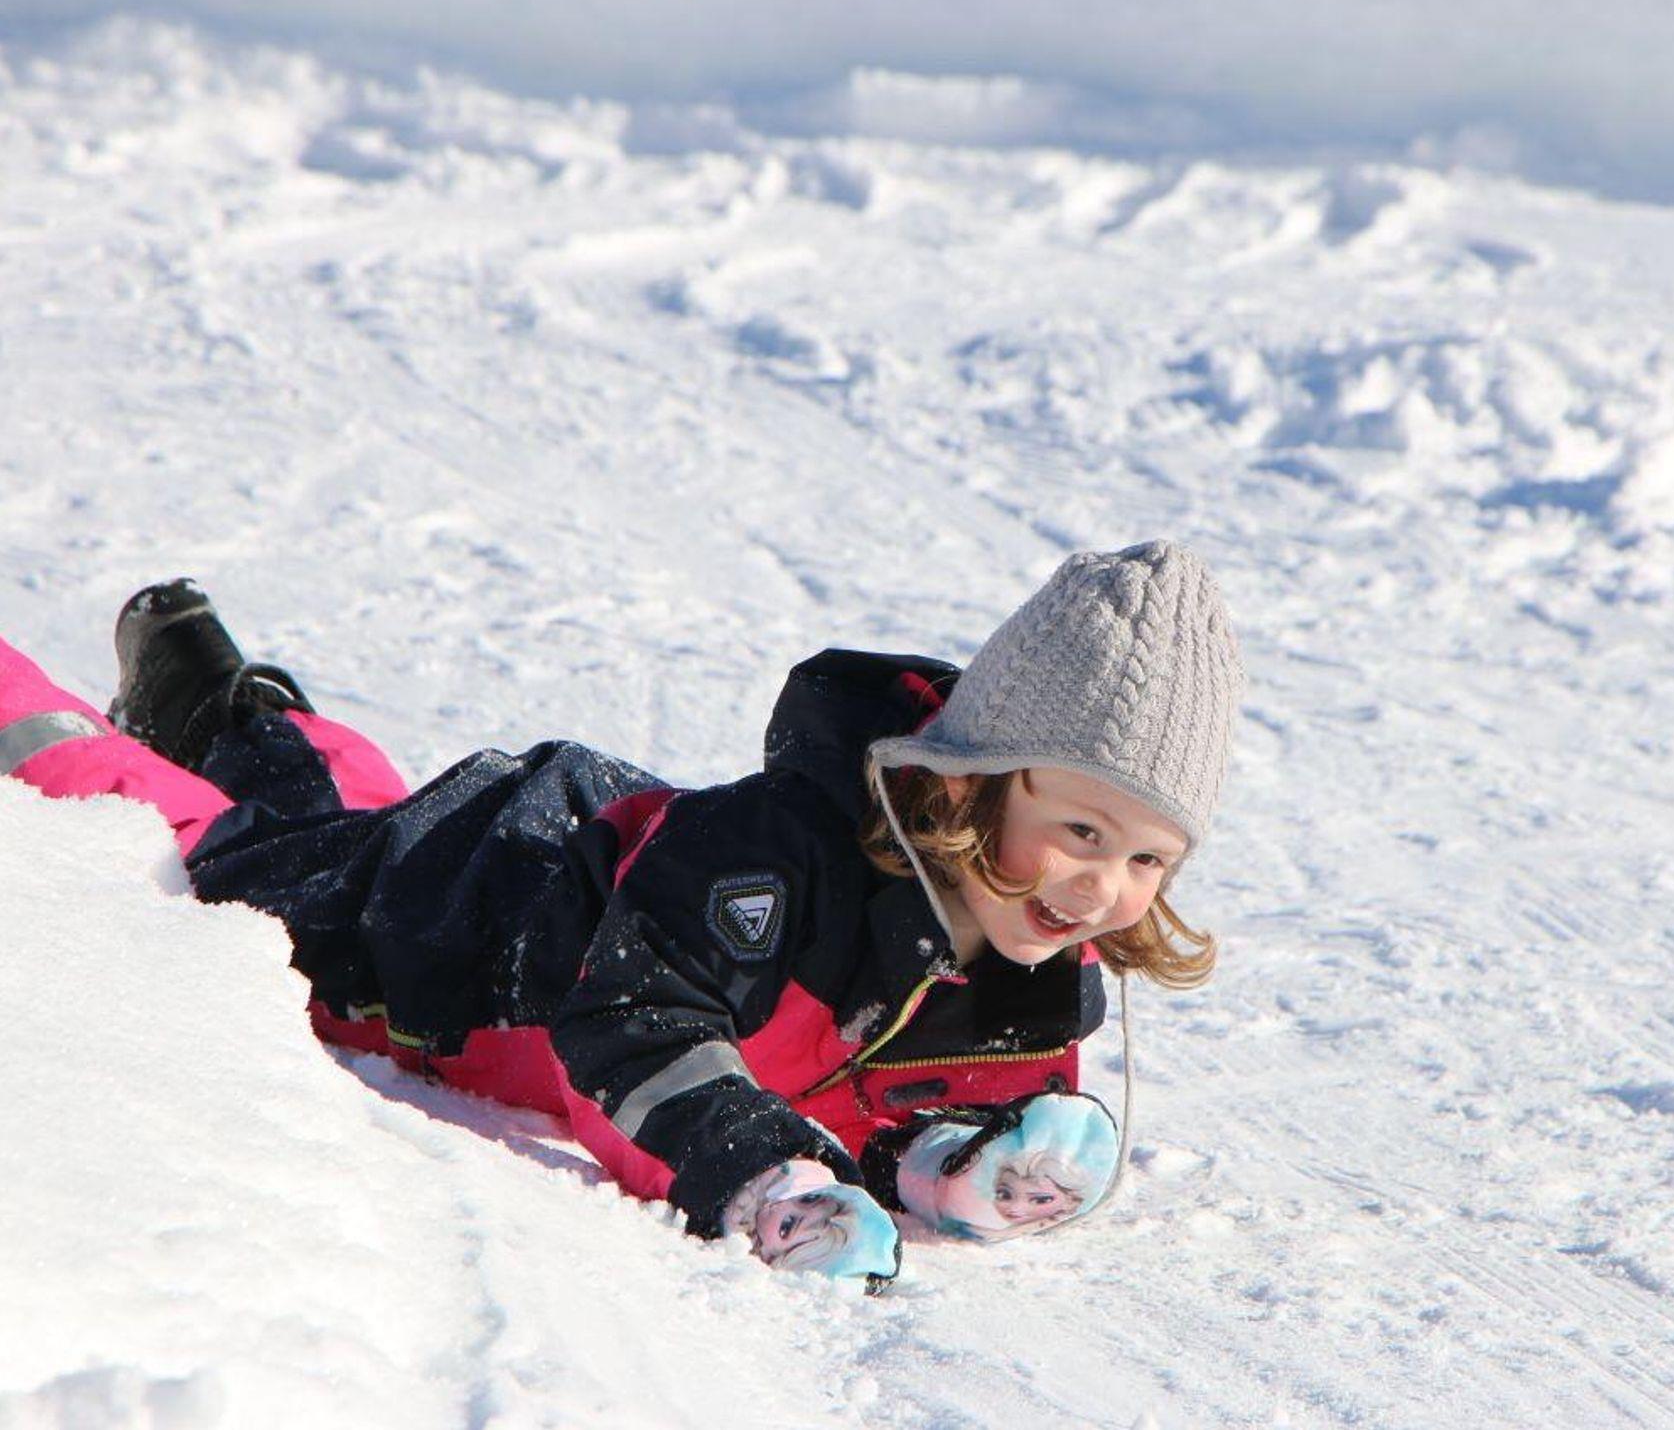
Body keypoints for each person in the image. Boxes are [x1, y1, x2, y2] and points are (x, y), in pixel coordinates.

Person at [0, 542, 1243, 1288]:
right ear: (969, 784)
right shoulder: (775, 864)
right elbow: (633, 1029)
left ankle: (227, 703)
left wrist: (952, 1162)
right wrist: (762, 1177)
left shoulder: (1042, 954)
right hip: (461, 915)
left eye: (1148, 857)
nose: (1102, 889)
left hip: (584, 854)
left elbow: (894, 1092)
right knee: (196, 846)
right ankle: (70, 709)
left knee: (341, 810)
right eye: (1080, 832)